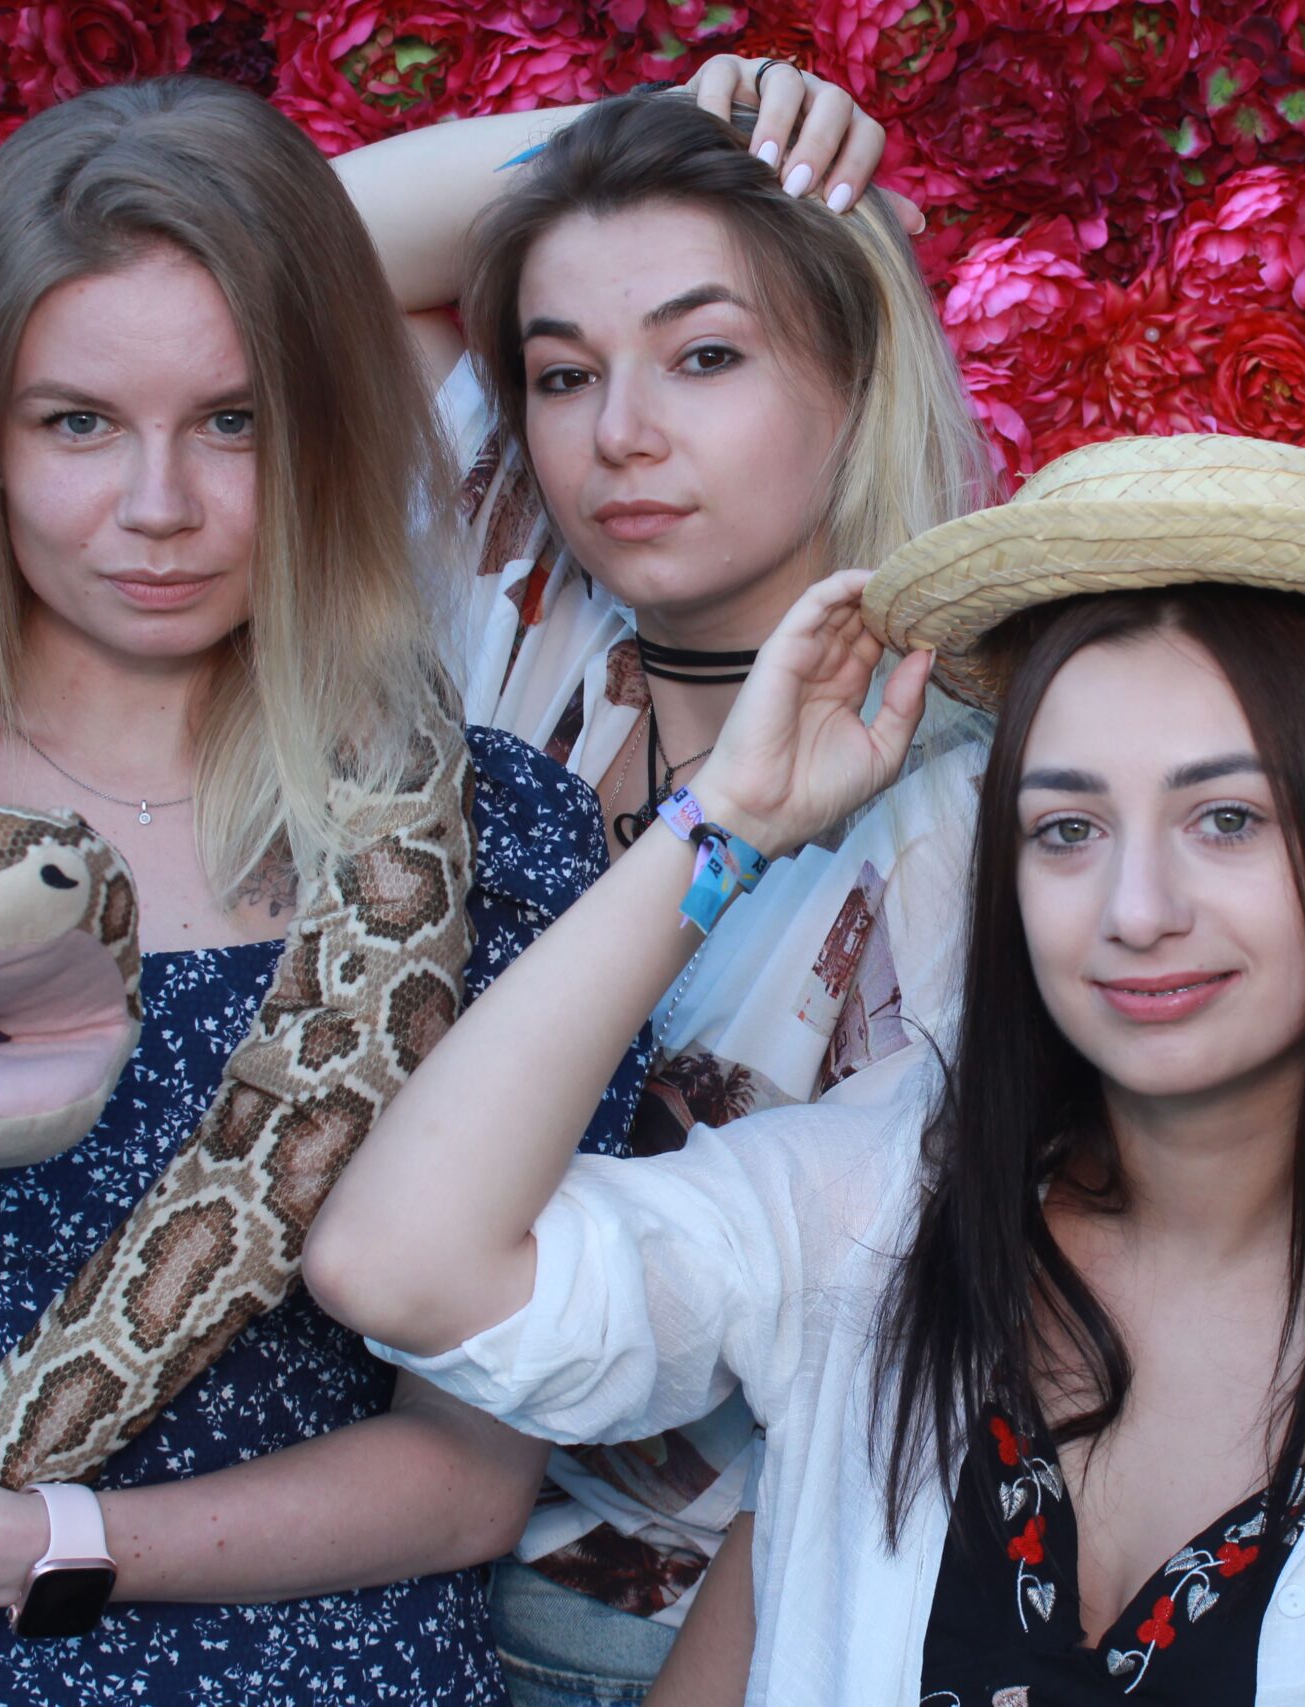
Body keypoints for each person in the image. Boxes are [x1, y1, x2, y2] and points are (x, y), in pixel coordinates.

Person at [308, 434, 1305, 1705]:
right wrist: (729, 822)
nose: (1137, 909)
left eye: (1227, 819)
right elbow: (400, 1267)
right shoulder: (870, 1217)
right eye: (1067, 828)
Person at [0, 76, 622, 1703]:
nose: (160, 510)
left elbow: (471, 1475)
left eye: (236, 421)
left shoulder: (494, 839)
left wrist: (27, 1544)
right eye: (76, 423)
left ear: (325, 432)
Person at [331, 75, 994, 1702]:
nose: (619, 434)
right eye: (564, 372)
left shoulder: (969, 825)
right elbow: (268, 258)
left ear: (859, 370)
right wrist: (655, 121)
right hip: (310, 1539)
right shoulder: (502, 585)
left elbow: (890, 1401)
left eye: (706, 356)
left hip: (641, 1634)